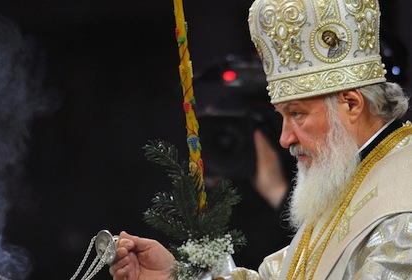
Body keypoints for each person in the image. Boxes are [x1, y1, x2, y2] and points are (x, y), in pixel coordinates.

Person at [109, 0, 412, 279]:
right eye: (282, 116)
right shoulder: (349, 178)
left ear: (351, 104)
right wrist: (179, 277)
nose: (284, 137)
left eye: (297, 113)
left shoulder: (401, 198)